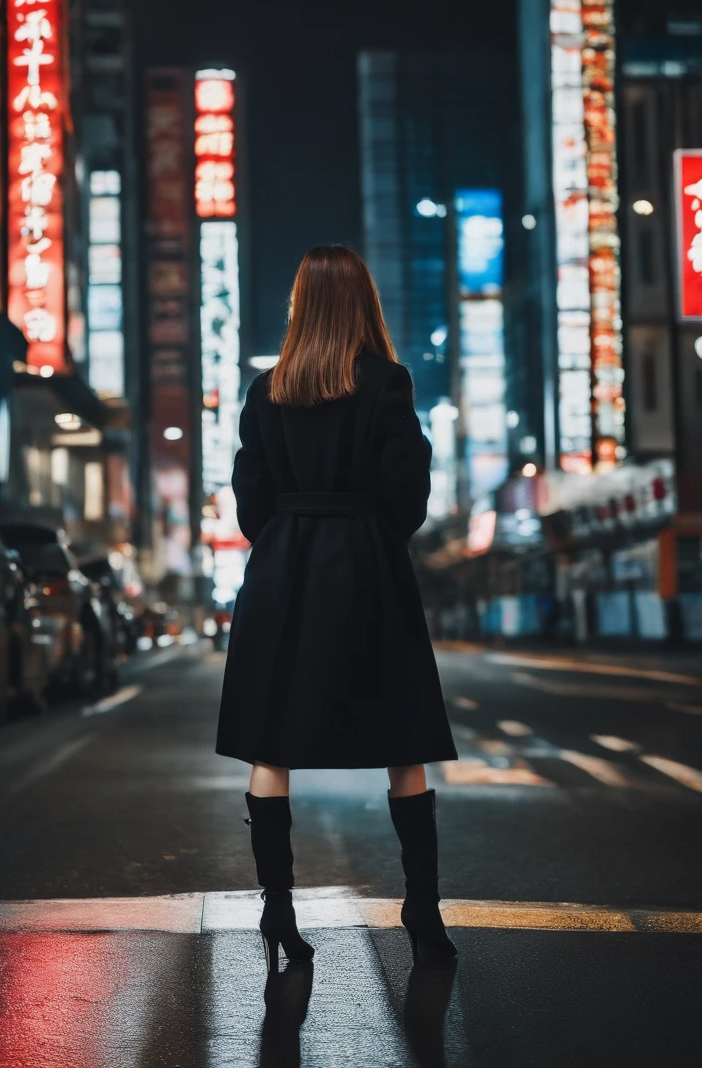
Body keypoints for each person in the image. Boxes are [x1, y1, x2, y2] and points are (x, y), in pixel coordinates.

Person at [216, 244, 458, 973]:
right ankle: (421, 912)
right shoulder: (389, 383)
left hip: (284, 565)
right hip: (367, 565)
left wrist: (291, 532)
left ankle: (278, 911)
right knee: (402, 738)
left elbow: (249, 498)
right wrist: (369, 534)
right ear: (364, 304)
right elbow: (408, 493)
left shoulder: (266, 391)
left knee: (271, 744)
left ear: (300, 305)